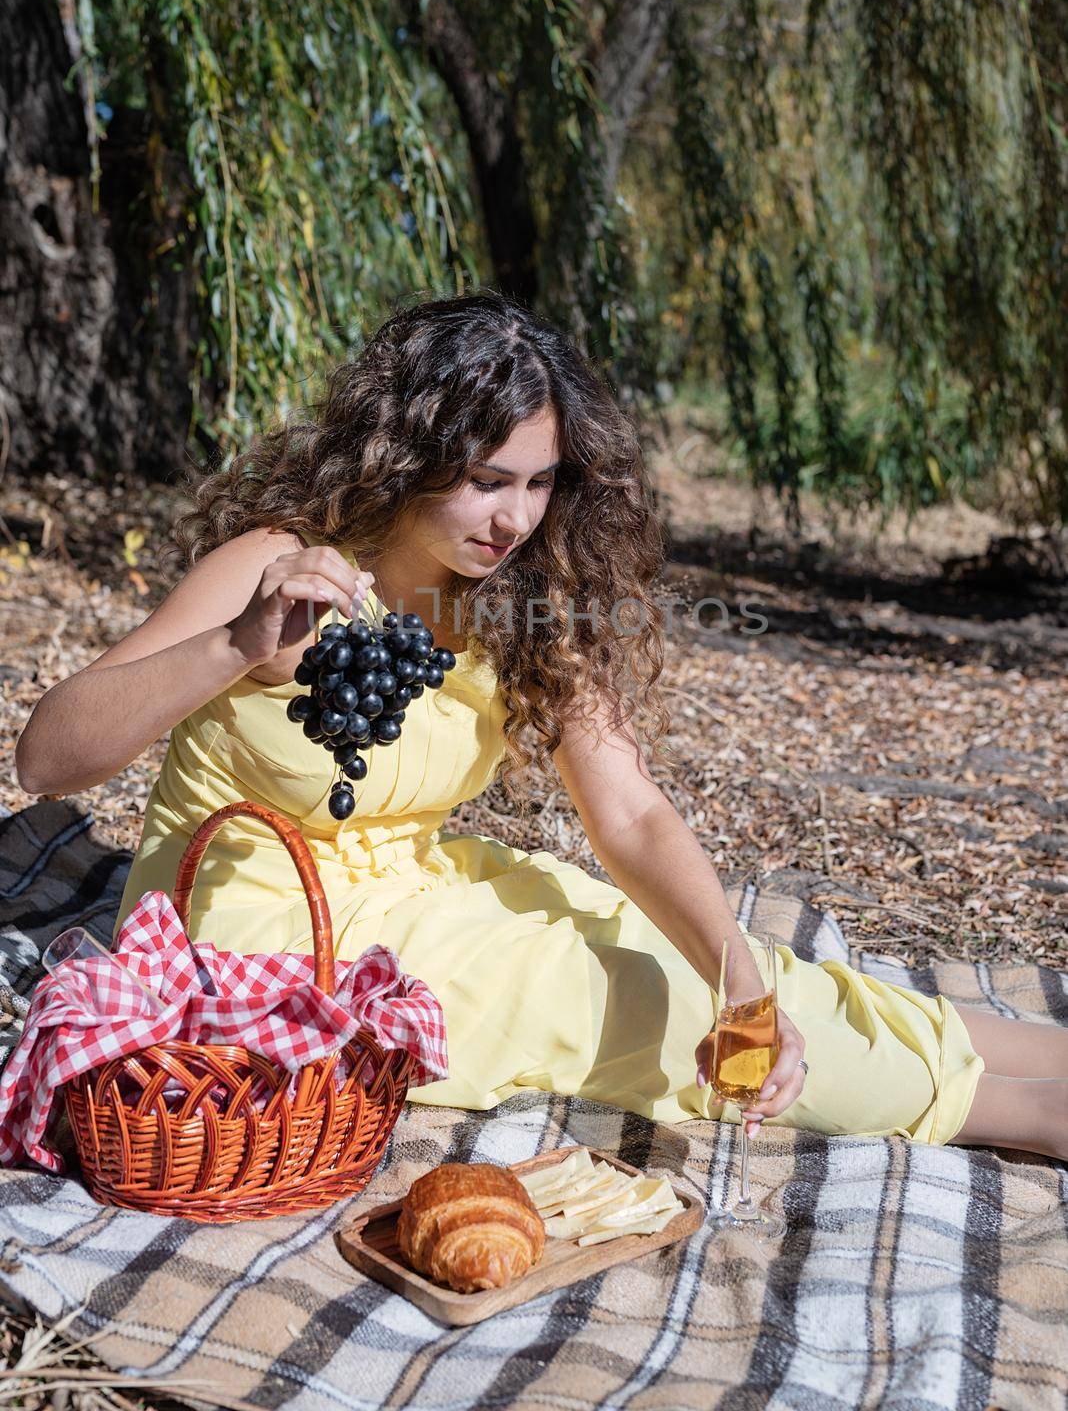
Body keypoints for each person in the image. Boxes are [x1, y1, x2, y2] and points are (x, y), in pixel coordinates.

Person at [15, 292, 1067, 1162]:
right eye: (485, 483)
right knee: (613, 996)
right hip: (256, 934)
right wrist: (235, 646)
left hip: (417, 888)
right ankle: (1037, 1118)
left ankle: (1040, 1055)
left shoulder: (524, 598)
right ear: (404, 456)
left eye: (537, 482)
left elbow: (631, 814)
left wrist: (741, 980)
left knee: (679, 948)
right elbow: (48, 754)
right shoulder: (276, 566)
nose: (514, 519)